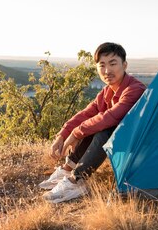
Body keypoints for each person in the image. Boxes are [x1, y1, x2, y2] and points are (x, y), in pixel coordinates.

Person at [40, 42, 146, 203]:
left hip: (142, 144)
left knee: (105, 129)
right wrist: (63, 134)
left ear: (124, 65)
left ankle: (77, 181)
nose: (107, 70)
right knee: (93, 123)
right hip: (124, 140)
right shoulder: (107, 91)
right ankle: (68, 169)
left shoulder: (135, 89)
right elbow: (86, 113)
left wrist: (76, 133)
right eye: (102, 65)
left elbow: (110, 117)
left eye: (113, 64)